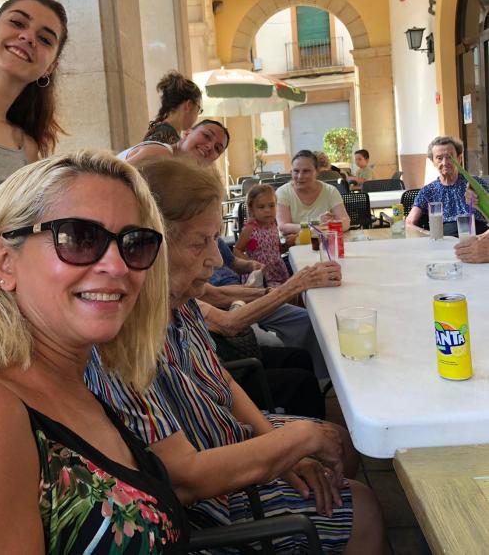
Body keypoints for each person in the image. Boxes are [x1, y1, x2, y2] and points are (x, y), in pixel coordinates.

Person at [86, 157, 385, 554]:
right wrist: (290, 444)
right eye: (200, 243)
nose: (215, 258)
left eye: (216, 239)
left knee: (340, 445)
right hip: (212, 502)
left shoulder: (180, 305)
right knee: (364, 508)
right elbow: (186, 480)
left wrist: (279, 447)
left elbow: (222, 379)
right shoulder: (120, 346)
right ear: (146, 246)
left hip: (228, 438)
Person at [0, 150, 189, 553]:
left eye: (134, 244)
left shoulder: (73, 383)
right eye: (80, 238)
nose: (117, 266)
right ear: (4, 262)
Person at [0, 0, 69, 246]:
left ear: (50, 68)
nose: (28, 37)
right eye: (17, 23)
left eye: (45, 39)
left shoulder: (27, 148)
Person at [201, 237, 339, 378]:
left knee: (307, 321)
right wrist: (292, 286)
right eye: (200, 243)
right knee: (276, 346)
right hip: (230, 324)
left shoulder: (209, 244)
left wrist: (271, 292)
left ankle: (327, 376)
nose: (218, 261)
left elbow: (217, 293)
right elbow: (227, 322)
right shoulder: (189, 296)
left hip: (239, 297)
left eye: (216, 237)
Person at [406, 136, 488, 236]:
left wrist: (478, 204)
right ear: (433, 162)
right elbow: (409, 222)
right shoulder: (428, 191)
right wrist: (429, 234)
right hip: (445, 239)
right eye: (439, 158)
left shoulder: (474, 183)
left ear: (459, 159)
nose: (444, 163)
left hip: (477, 236)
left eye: (449, 157)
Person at [276, 150, 351, 237]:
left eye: (306, 171)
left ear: (317, 172)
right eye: (296, 171)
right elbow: (283, 226)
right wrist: (315, 225)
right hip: (296, 244)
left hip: (325, 243)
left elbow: (345, 222)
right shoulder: (283, 192)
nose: (300, 176)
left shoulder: (330, 191)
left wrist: (325, 226)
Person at [234, 183, 289, 286]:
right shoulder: (250, 228)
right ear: (252, 209)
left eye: (271, 205)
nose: (267, 210)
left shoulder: (273, 223)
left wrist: (287, 244)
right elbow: (237, 250)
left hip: (276, 271)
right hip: (260, 277)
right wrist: (250, 263)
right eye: (261, 207)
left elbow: (275, 248)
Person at [119, 119, 229, 166]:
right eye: (206, 136)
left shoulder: (185, 174)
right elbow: (112, 179)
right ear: (187, 133)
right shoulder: (160, 154)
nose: (210, 146)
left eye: (217, 148)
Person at [143, 70, 203, 145]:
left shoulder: (164, 132)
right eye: (198, 109)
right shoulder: (165, 134)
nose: (197, 115)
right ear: (189, 105)